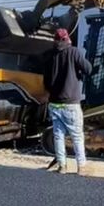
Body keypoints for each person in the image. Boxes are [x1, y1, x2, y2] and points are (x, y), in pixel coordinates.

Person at [43, 28, 94, 176]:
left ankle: (62, 166)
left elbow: (46, 82)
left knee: (58, 135)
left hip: (54, 103)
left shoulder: (49, 56)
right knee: (77, 135)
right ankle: (82, 167)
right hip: (71, 103)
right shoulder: (74, 52)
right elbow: (88, 69)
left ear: (55, 40)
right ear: (67, 39)